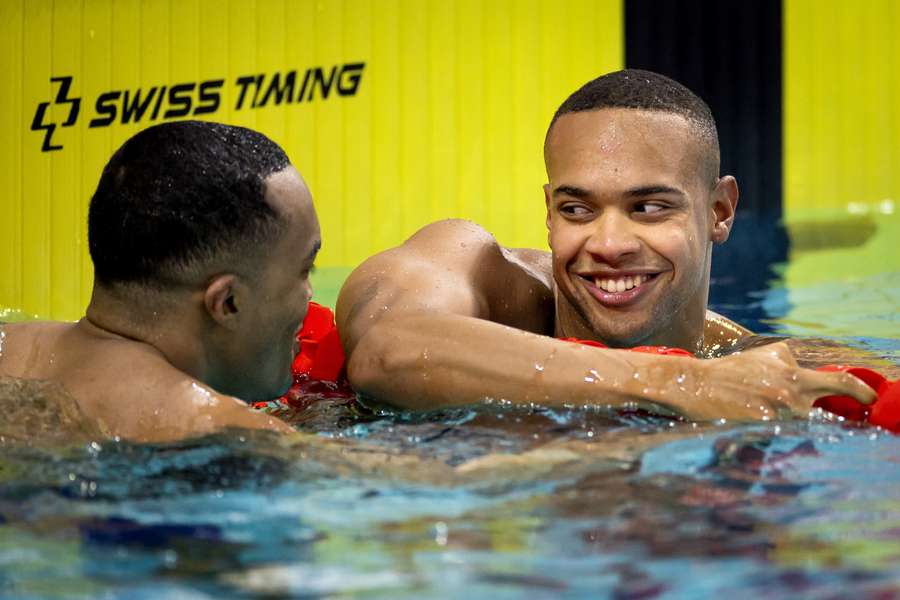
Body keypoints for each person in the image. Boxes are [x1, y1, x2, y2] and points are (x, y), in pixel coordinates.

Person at [336, 69, 875, 421]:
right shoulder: (484, 277)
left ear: (719, 211)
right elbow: (389, 349)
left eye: (648, 207)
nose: (609, 244)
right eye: (578, 210)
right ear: (548, 212)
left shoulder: (747, 363)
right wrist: (679, 382)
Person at [0, 121, 320, 442]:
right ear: (228, 303)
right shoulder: (228, 431)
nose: (310, 294)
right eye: (306, 270)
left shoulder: (8, 346)